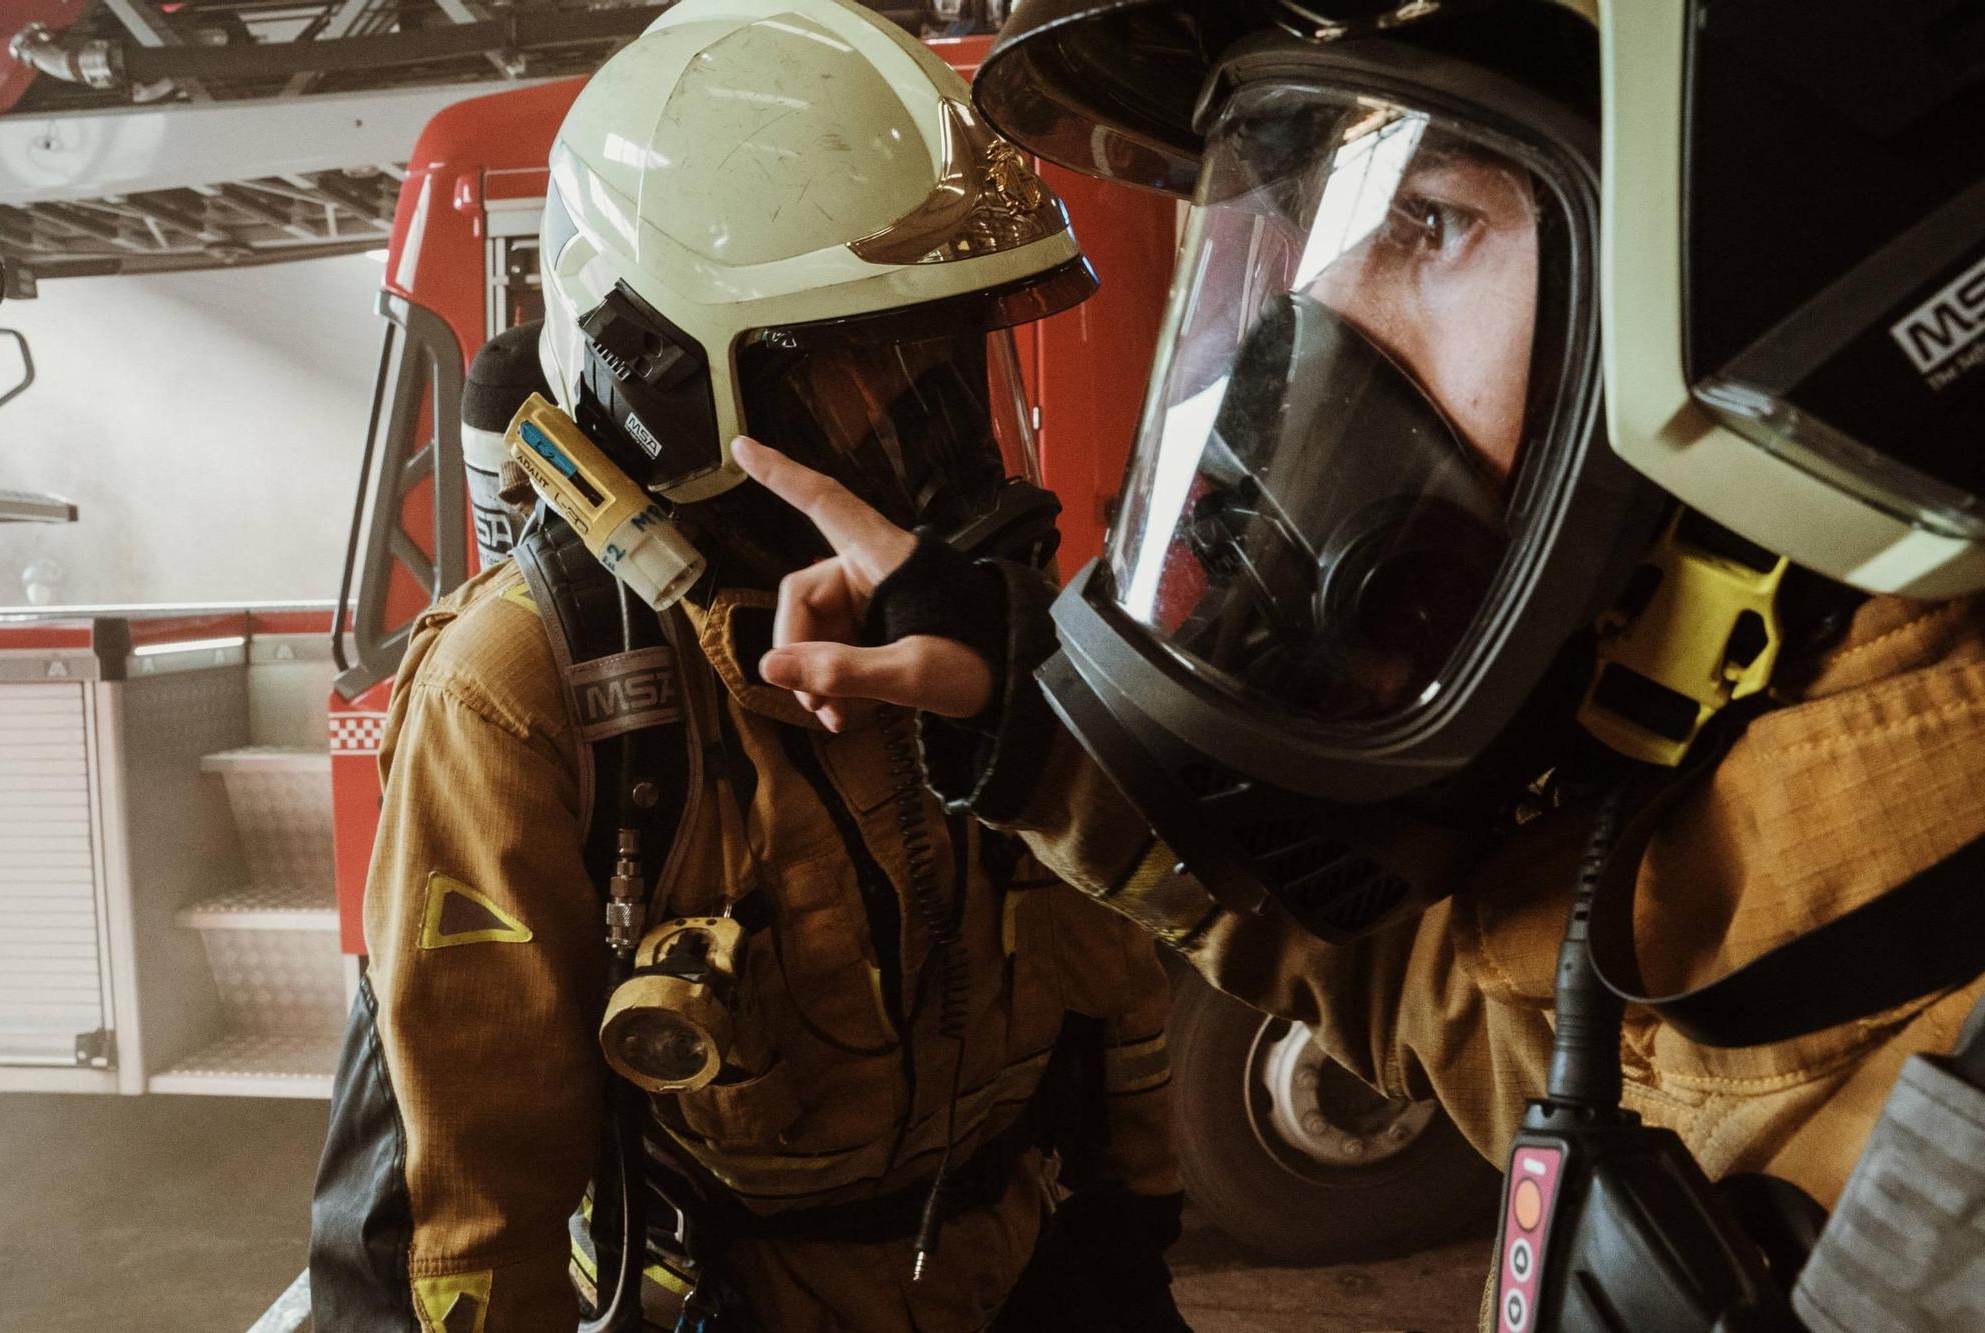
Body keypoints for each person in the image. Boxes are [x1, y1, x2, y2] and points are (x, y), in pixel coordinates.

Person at [739, 0, 1985, 1327]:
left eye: (1431, 219)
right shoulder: (1701, 828)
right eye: (1321, 223)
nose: (1307, 314)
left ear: (1797, 275)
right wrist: (1032, 725)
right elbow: (1473, 1000)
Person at [306, 2, 1189, 1329]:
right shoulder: (524, 688)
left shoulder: (964, 636)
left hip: (1027, 1267)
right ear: (668, 382)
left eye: (948, 365)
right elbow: (470, 1202)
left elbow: (1111, 959)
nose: (940, 449)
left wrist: (1138, 1209)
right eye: (867, 378)